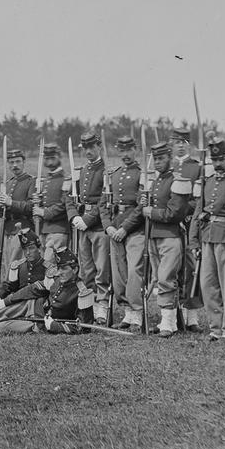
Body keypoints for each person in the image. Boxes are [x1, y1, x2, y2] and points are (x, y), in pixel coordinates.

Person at [189, 137, 225, 342]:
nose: (217, 164)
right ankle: (215, 328)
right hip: (207, 238)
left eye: (221, 159)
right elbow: (197, 212)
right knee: (208, 284)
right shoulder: (208, 182)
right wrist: (194, 242)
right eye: (214, 160)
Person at [141, 141, 188, 337]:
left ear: (170, 158)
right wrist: (143, 202)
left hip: (170, 236)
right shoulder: (156, 181)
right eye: (156, 159)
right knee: (158, 278)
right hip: (154, 235)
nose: (158, 162)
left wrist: (151, 211)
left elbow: (175, 213)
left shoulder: (178, 181)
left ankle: (168, 323)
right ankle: (167, 321)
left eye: (161, 158)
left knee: (166, 278)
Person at [0, 247, 90, 334]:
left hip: (39, 323)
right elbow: (33, 289)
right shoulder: (55, 279)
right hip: (32, 306)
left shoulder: (82, 293)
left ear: (75, 269)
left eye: (64, 268)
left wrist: (55, 327)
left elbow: (84, 327)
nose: (59, 272)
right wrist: (6, 301)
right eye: (59, 268)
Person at [66, 131, 111, 324]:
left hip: (98, 226)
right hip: (82, 226)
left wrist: (88, 219)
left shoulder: (106, 171)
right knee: (86, 269)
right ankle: (89, 306)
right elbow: (69, 198)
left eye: (92, 147)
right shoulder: (82, 171)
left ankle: (102, 306)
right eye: (85, 148)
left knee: (102, 269)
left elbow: (105, 200)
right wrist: (74, 216)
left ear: (99, 147)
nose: (88, 151)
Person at [101, 135, 145, 332]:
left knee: (134, 271)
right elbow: (102, 205)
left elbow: (140, 207)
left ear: (135, 149)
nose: (125, 155)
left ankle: (137, 314)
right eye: (121, 151)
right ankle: (127, 312)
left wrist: (125, 228)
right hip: (114, 229)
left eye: (128, 150)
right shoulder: (113, 175)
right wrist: (108, 226)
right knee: (118, 273)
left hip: (134, 230)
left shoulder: (141, 175)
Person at [170, 124, 203, 331]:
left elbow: (198, 198)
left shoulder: (196, 167)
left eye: (183, 143)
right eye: (176, 142)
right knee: (172, 268)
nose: (180, 147)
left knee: (191, 269)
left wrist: (183, 213)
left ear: (188, 145)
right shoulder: (167, 166)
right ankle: (173, 314)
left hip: (189, 223)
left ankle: (192, 316)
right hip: (170, 223)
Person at [0, 227, 47, 323]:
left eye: (31, 248)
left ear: (39, 249)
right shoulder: (19, 265)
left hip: (35, 306)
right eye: (25, 249)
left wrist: (6, 301)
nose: (28, 253)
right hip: (17, 302)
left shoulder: (48, 268)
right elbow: (9, 285)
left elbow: (33, 290)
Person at [0, 147, 36, 284]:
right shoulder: (8, 183)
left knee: (17, 265)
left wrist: (11, 202)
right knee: (8, 264)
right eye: (11, 162)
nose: (15, 165)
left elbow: (31, 206)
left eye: (18, 161)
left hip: (23, 229)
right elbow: (0, 213)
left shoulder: (30, 181)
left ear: (24, 162)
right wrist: (1, 206)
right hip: (8, 229)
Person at [31, 143, 71, 265]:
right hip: (44, 229)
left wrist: (44, 212)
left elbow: (64, 204)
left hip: (58, 230)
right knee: (44, 265)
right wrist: (38, 201)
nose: (49, 161)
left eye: (52, 157)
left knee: (50, 265)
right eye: (47, 158)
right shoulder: (46, 180)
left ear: (59, 157)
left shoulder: (66, 179)